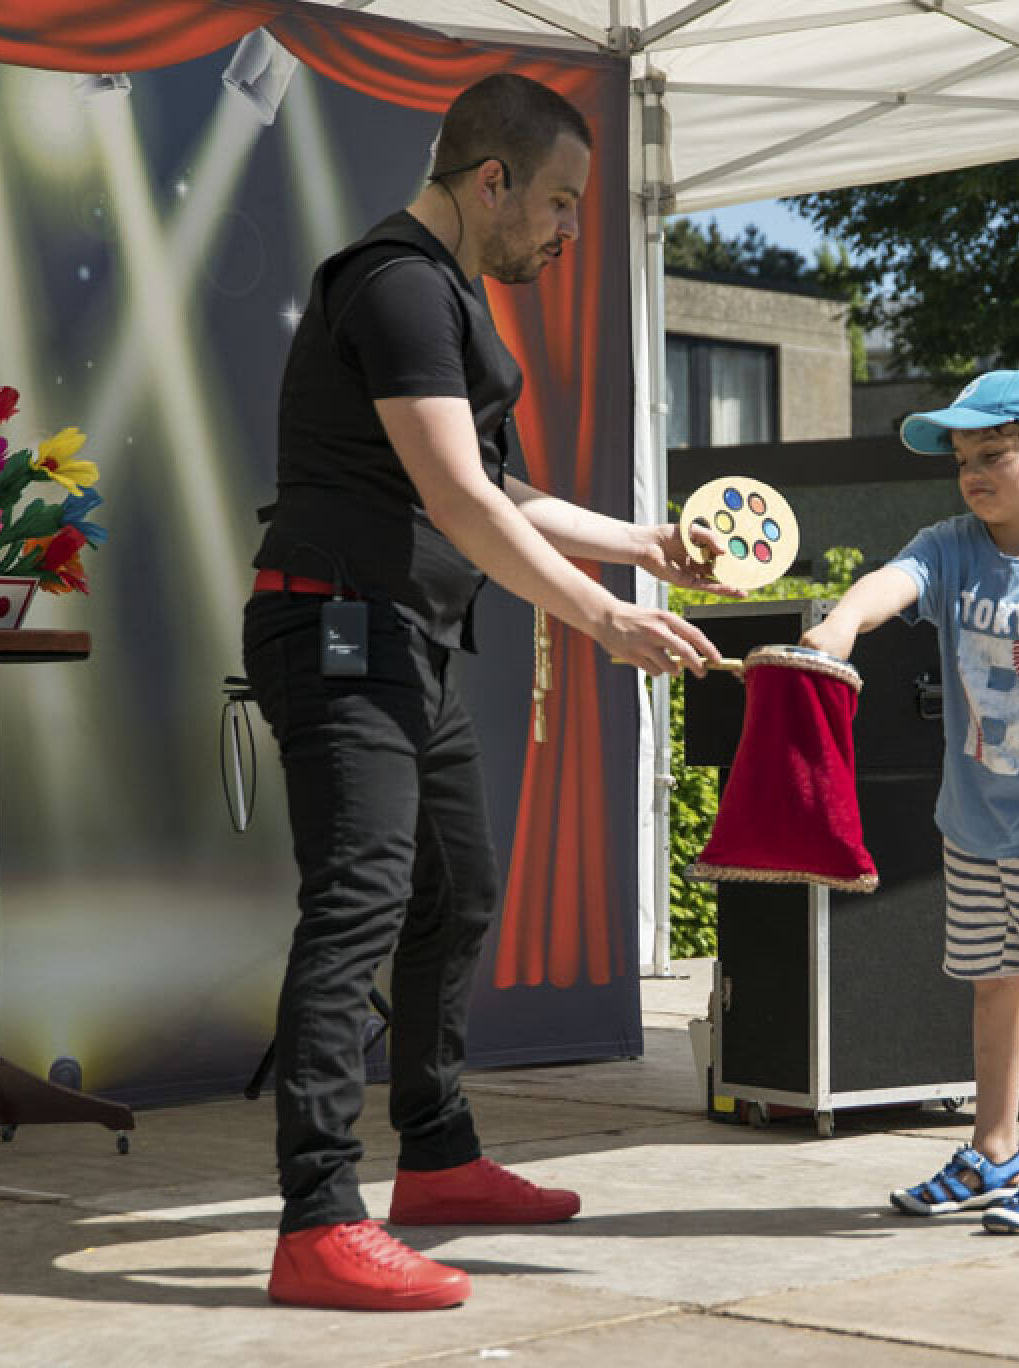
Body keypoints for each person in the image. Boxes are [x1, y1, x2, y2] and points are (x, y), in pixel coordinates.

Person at [244, 72, 726, 1312]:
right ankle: (316, 1219)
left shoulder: (445, 294)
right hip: (339, 629)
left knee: (456, 889)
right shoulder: (398, 284)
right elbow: (457, 499)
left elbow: (490, 486)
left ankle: (438, 1158)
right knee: (357, 903)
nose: (569, 231)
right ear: (491, 179)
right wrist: (604, 619)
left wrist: (641, 544)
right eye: (559, 202)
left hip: (403, 637)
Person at [799, 370, 1019, 1236]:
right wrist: (840, 626)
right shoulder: (952, 546)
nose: (972, 475)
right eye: (962, 459)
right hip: (973, 830)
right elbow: (891, 581)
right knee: (994, 987)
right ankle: (994, 1151)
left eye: (992, 455)